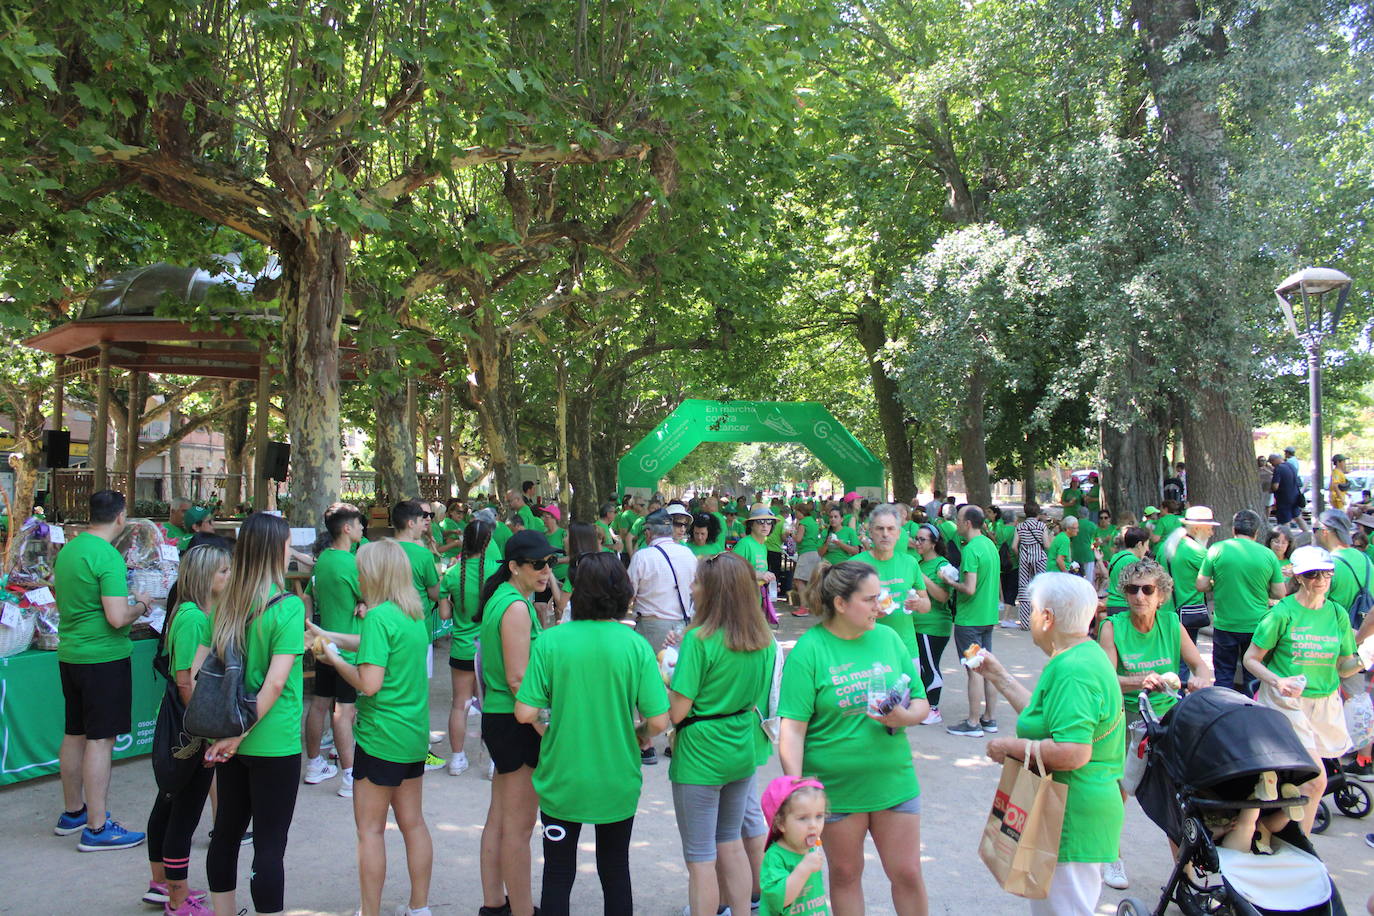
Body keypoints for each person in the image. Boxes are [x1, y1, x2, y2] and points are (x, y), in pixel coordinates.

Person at [514, 553, 670, 915]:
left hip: (562, 777)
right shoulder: (634, 645)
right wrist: (639, 734)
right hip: (617, 777)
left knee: (557, 872)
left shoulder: (551, 641)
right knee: (615, 869)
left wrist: (549, 727)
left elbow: (524, 712)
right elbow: (659, 721)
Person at [780, 560, 929, 915]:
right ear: (841, 603)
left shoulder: (889, 639)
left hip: (894, 781)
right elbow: (793, 730)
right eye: (870, 599)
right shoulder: (809, 650)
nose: (880, 605)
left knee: (907, 873)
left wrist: (905, 716)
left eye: (880, 597)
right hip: (836, 791)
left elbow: (921, 701)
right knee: (846, 874)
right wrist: (797, 791)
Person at [977, 573, 1125, 916]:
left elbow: (1073, 752)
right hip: (1068, 808)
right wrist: (999, 676)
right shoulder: (1080, 656)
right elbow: (1044, 719)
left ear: (1047, 618)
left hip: (1069, 814)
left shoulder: (1074, 670)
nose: (1029, 617)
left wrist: (1010, 748)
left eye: (1031, 610)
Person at [308, 540, 434, 916]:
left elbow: (368, 682)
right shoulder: (412, 615)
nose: (358, 577)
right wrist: (329, 635)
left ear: (375, 574)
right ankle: (419, 907)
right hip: (412, 736)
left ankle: (370, 910)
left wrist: (332, 658)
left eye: (361, 570)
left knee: (370, 830)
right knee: (413, 824)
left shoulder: (378, 618)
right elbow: (370, 645)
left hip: (380, 737)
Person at [200, 512, 306, 916]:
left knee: (226, 831)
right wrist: (240, 733)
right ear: (276, 550)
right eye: (288, 543)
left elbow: (197, 669)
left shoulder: (225, 603)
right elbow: (275, 684)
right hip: (271, 738)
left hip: (228, 735)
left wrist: (228, 732)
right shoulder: (287, 606)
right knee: (270, 844)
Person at [668, 552, 777, 916]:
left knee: (700, 857)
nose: (692, 587)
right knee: (730, 843)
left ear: (714, 591)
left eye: (698, 581)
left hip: (701, 754)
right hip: (741, 746)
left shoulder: (699, 640)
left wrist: (664, 681)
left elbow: (677, 711)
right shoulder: (764, 640)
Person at [1097, 557, 1213, 890]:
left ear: (1160, 595)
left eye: (1147, 590)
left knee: (1177, 796)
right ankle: (1111, 856)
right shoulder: (1112, 627)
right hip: (1128, 716)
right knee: (1119, 791)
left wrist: (1200, 679)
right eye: (1132, 590)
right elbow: (1107, 680)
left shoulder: (1172, 624)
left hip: (1168, 717)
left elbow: (1200, 666)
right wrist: (1141, 680)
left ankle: (1183, 872)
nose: (1139, 596)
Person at [53, 488, 151, 850]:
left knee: (75, 732)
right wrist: (141, 605)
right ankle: (96, 828)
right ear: (121, 517)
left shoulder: (70, 550)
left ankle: (73, 812)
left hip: (72, 655)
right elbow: (117, 617)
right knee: (100, 740)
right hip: (103, 658)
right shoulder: (107, 556)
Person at [1245, 544, 1362, 834]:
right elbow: (1251, 659)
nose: (1321, 579)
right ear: (1298, 576)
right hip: (1286, 704)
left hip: (1325, 704)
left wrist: (1363, 660)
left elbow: (1343, 667)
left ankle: (1269, 832)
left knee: (1303, 784)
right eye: (1312, 574)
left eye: (1327, 573)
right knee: (1316, 781)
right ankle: (1301, 843)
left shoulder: (1337, 614)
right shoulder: (1282, 613)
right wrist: (1278, 681)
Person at [476, 528, 562, 916]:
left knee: (500, 820)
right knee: (519, 827)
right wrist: (548, 729)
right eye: (537, 564)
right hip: (515, 722)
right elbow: (517, 679)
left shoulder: (508, 599)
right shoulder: (514, 607)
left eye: (550, 562)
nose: (546, 570)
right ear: (514, 566)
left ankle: (495, 903)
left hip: (505, 719)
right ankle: (522, 910)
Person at [145, 544, 231, 915]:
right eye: (224, 572)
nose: (230, 577)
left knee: (168, 801)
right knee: (185, 811)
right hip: (191, 730)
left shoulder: (186, 612)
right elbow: (187, 681)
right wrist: (210, 733)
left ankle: (163, 883)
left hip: (182, 724)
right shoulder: (195, 619)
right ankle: (177, 899)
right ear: (205, 578)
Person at [303, 504, 366, 793]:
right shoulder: (350, 563)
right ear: (346, 528)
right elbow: (373, 595)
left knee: (320, 704)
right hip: (347, 649)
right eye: (358, 523)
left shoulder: (323, 560)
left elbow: (310, 594)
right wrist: (364, 602)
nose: (362, 528)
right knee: (344, 710)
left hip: (323, 644)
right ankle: (350, 776)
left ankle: (314, 764)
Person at [1196, 509, 1286, 695]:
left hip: (1225, 624)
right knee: (1253, 677)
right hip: (1257, 625)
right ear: (1257, 532)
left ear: (1233, 530)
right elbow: (1280, 593)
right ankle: (1251, 708)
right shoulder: (1268, 555)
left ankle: (1224, 708)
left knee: (1223, 675)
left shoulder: (1217, 549)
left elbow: (1201, 584)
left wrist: (1218, 583)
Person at [437, 518, 495, 777]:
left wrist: (451, 602)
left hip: (461, 647)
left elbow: (445, 615)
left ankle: (457, 759)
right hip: (489, 649)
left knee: (459, 704)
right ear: (487, 542)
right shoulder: (496, 571)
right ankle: (494, 762)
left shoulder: (451, 574)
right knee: (492, 704)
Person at [946, 505, 1001, 738]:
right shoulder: (990, 545)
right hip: (987, 617)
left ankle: (973, 722)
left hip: (969, 620)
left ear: (968, 523)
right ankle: (989, 718)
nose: (956, 523)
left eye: (958, 520)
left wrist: (949, 582)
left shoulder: (970, 550)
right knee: (987, 668)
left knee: (974, 670)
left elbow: (969, 588)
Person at [854, 504, 930, 673]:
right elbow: (842, 610)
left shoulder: (910, 563)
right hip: (867, 650)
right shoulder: (856, 565)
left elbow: (926, 605)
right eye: (879, 529)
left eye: (890, 529)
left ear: (898, 533)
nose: (885, 534)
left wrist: (919, 604)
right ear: (870, 532)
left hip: (906, 649)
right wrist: (871, 611)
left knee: (912, 691)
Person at [757, 776, 829, 916]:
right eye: (803, 818)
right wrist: (804, 868)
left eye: (819, 816)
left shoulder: (809, 849)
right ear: (781, 823)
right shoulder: (776, 856)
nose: (813, 825)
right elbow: (778, 901)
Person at [1167, 506, 1219, 683]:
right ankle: (1178, 693)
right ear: (1197, 528)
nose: (1212, 532)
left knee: (1173, 657)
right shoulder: (1196, 550)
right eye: (1209, 528)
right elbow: (1216, 577)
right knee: (1185, 659)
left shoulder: (1173, 544)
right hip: (1189, 611)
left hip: (1169, 610)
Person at [912, 523, 953, 725]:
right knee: (920, 667)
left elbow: (943, 596)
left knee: (930, 666)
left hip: (934, 626)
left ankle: (933, 708)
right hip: (916, 624)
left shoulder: (942, 565)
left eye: (922, 539)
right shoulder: (918, 563)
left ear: (934, 543)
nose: (917, 543)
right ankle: (922, 706)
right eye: (916, 538)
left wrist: (922, 579)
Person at [734, 505, 780, 623]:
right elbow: (731, 571)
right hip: (742, 601)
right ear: (751, 525)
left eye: (769, 522)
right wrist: (759, 575)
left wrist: (767, 578)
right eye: (760, 522)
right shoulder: (745, 544)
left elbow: (759, 571)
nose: (765, 525)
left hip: (757, 599)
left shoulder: (763, 546)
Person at [1012, 501, 1050, 630]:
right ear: (1037, 512)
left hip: (1025, 557)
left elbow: (1014, 546)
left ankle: (1025, 622)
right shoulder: (1041, 526)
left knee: (1024, 588)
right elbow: (1046, 545)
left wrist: (1020, 555)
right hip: (1040, 558)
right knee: (1041, 588)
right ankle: (1041, 621)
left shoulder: (1020, 526)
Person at [1102, 527, 1151, 617]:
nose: (1147, 549)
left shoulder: (1116, 557)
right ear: (1140, 544)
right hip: (1124, 606)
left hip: (1111, 605)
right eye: (1146, 545)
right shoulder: (1134, 561)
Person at [791, 503, 823, 616]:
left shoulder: (803, 523)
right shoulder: (813, 521)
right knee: (810, 581)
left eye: (796, 512)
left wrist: (792, 534)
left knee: (799, 580)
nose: (795, 514)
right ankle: (811, 606)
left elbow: (798, 539)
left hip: (806, 552)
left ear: (801, 512)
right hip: (815, 552)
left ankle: (803, 607)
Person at [1270, 453, 1303, 526]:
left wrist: (1270, 489)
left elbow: (1275, 486)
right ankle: (1306, 531)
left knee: (1285, 520)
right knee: (1297, 517)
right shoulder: (1291, 466)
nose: (1272, 464)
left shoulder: (1278, 469)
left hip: (1283, 498)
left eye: (1272, 462)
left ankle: (1286, 533)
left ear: (1275, 460)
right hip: (1295, 496)